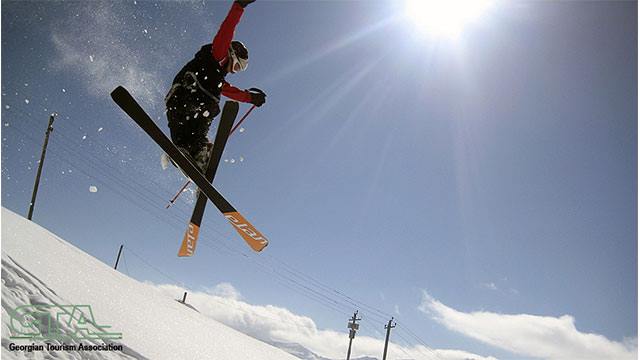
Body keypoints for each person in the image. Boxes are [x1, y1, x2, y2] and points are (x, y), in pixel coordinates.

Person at [164, 0, 266, 172]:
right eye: (237, 67)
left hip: (179, 109)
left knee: (188, 135)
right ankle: (196, 149)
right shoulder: (217, 55)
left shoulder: (216, 78)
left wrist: (250, 98)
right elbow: (227, 29)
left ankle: (193, 154)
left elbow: (231, 91)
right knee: (212, 104)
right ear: (232, 55)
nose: (234, 71)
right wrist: (239, 6)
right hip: (186, 98)